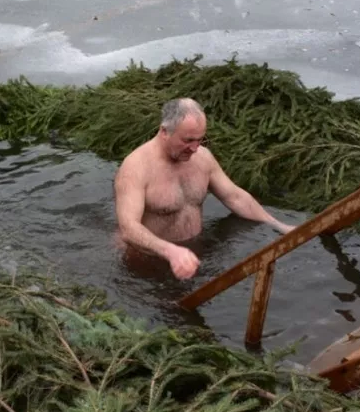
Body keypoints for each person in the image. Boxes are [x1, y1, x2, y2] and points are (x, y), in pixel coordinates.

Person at [113, 98, 295, 281]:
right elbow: (128, 228)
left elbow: (234, 196)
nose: (194, 148)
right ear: (164, 132)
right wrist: (170, 251)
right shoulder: (136, 168)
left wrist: (278, 225)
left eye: (200, 140)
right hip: (149, 261)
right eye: (188, 140)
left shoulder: (203, 158)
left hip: (193, 254)